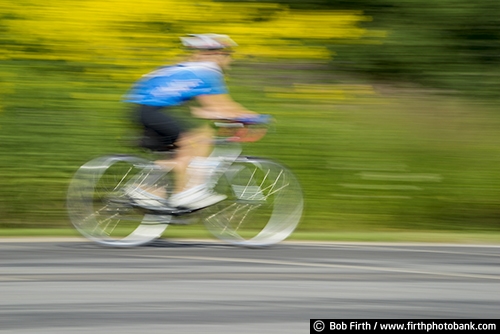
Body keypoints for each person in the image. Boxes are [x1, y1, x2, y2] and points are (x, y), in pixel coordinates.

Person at [123, 34, 258, 210]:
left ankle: (144, 190)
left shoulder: (190, 69)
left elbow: (201, 110)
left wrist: (227, 116)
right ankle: (185, 195)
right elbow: (221, 105)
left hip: (142, 109)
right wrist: (252, 117)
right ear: (218, 54)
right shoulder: (207, 70)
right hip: (150, 110)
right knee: (196, 140)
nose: (229, 60)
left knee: (184, 151)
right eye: (228, 55)